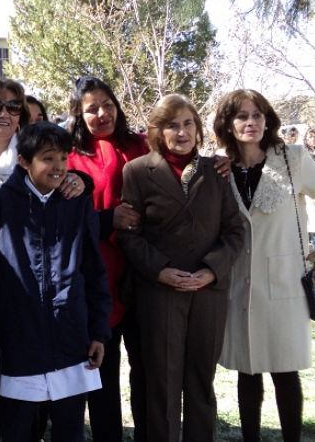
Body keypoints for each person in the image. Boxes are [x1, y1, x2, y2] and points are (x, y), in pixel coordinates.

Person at [0, 77, 90, 442]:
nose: (4, 113)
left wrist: (75, 180)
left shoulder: (36, 160)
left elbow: (57, 178)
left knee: (34, 413)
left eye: (14, 106)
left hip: (40, 311)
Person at [118, 94, 245, 442]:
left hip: (208, 293)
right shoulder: (138, 171)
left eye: (188, 123)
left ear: (198, 128)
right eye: (172, 124)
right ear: (157, 130)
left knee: (201, 382)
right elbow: (130, 234)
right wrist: (160, 271)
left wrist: (211, 271)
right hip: (160, 293)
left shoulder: (217, 172)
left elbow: (236, 231)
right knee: (162, 384)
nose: (182, 131)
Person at [0, 121, 111, 442]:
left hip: (72, 343)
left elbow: (94, 272)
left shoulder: (77, 204)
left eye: (64, 158)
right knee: (18, 431)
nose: (59, 167)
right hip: (19, 346)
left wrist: (98, 332)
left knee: (69, 431)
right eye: (48, 158)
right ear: (24, 160)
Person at [215, 89, 315, 442]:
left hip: (286, 283)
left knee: (285, 373)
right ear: (228, 123)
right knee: (248, 371)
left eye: (257, 115)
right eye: (242, 116)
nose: (251, 122)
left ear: (268, 120)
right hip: (240, 286)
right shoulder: (221, 167)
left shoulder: (292, 157)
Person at [65, 75, 149, 442]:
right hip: (97, 280)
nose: (102, 113)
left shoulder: (142, 145)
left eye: (107, 104)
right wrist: (106, 219)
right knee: (102, 376)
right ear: (78, 115)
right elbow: (63, 221)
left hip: (144, 275)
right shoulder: (69, 155)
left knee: (147, 372)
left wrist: (217, 164)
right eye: (91, 108)